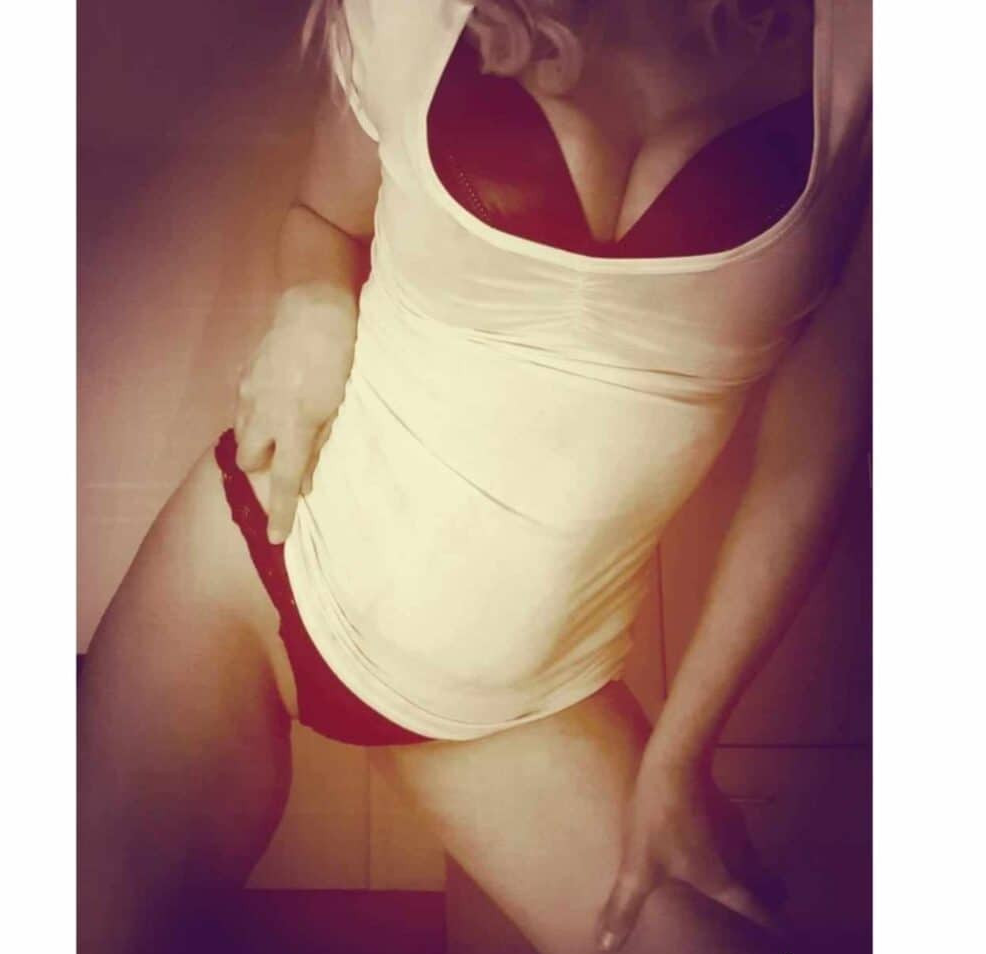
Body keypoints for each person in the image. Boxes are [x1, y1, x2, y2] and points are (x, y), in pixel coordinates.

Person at [77, 1, 871, 951]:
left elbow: (807, 453)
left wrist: (679, 757)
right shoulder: (409, 14)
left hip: (528, 700)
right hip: (258, 560)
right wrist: (315, 303)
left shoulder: (875, 57)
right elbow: (321, 218)